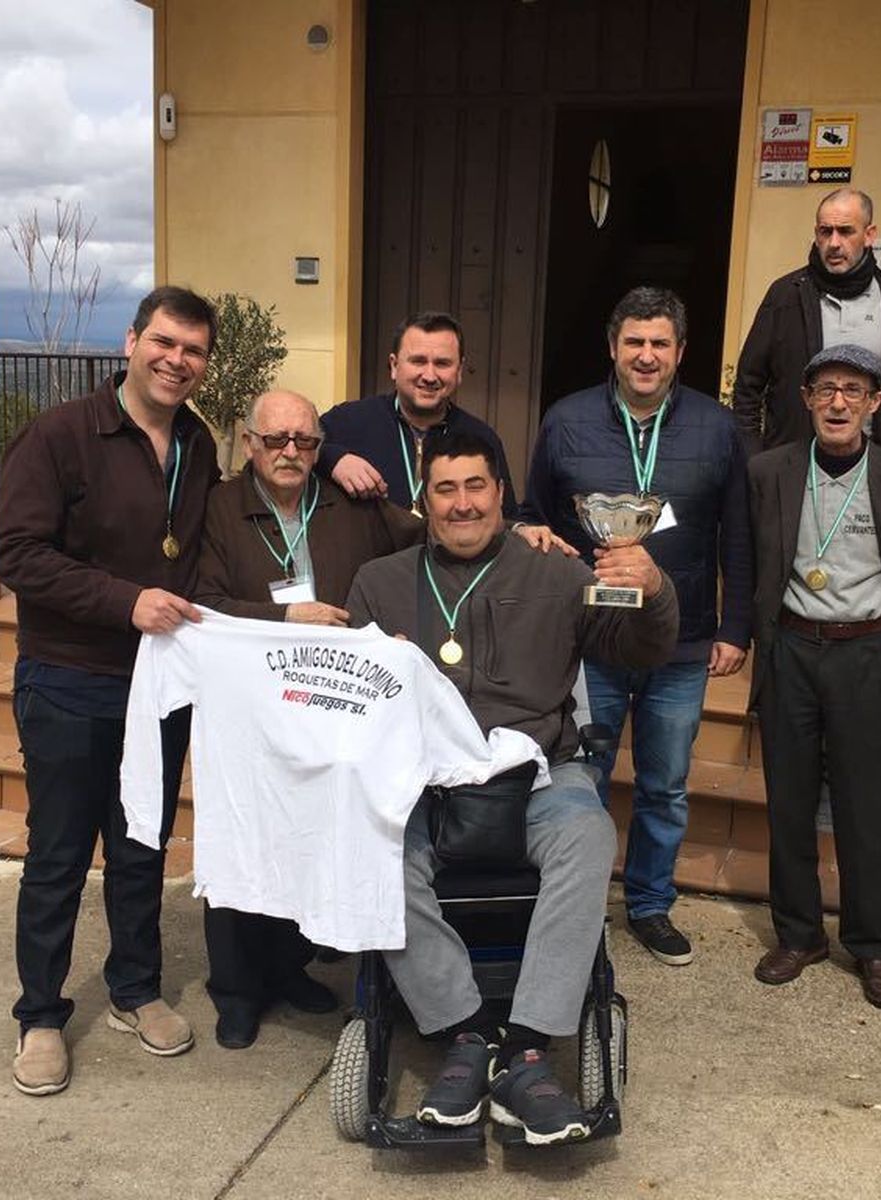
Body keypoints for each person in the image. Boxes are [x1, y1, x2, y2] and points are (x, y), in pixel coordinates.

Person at [345, 427, 678, 1145]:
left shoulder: (557, 573)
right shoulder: (380, 582)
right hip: (426, 783)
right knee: (373, 854)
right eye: (445, 489)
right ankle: (464, 1031)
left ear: (500, 493)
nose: (462, 504)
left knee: (588, 836)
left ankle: (527, 1050)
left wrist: (653, 591)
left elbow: (638, 647)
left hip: (538, 774)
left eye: (476, 486)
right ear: (424, 500)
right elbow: (352, 708)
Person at [0, 286, 220, 1095]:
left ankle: (134, 990)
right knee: (58, 855)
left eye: (193, 350)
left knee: (140, 847)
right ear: (131, 342)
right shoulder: (59, 436)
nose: (176, 360)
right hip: (68, 679)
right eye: (164, 342)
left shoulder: (197, 442)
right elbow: (16, 555)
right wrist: (125, 602)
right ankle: (40, 1016)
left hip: (158, 688)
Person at [520, 286, 752, 967]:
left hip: (681, 642)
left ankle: (650, 905)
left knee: (665, 784)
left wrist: (735, 627)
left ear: (680, 351)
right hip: (590, 638)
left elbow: (738, 534)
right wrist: (532, 534)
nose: (646, 356)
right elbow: (534, 513)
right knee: (582, 777)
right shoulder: (567, 421)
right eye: (634, 342)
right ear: (612, 348)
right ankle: (580, 906)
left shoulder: (716, 428)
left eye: (659, 344)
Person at [191, 388, 423, 1049]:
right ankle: (237, 989)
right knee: (246, 835)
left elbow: (426, 536)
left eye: (304, 441)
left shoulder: (348, 503)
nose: (290, 451)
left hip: (327, 703)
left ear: (320, 448)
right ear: (250, 442)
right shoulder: (219, 507)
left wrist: (517, 531)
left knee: (308, 835)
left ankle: (288, 967)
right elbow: (203, 600)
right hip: (249, 707)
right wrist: (285, 616)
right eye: (276, 439)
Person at [746, 344, 881, 1010]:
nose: (838, 403)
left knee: (870, 806)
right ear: (806, 398)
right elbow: (750, 559)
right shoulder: (769, 473)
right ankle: (798, 935)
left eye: (853, 391)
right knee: (789, 800)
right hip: (792, 650)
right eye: (826, 389)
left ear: (875, 403)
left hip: (869, 653)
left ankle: (874, 945)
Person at [732, 188, 881, 459]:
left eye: (846, 231)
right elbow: (748, 387)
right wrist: (752, 459)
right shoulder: (785, 297)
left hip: (874, 468)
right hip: (794, 466)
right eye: (826, 232)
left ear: (869, 235)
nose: (834, 243)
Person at [316, 311, 518, 518]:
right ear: (394, 366)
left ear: (459, 371)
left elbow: (506, 518)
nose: (429, 376)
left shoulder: (481, 438)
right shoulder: (348, 421)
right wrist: (333, 459)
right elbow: (301, 447)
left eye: (442, 363)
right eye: (418, 361)